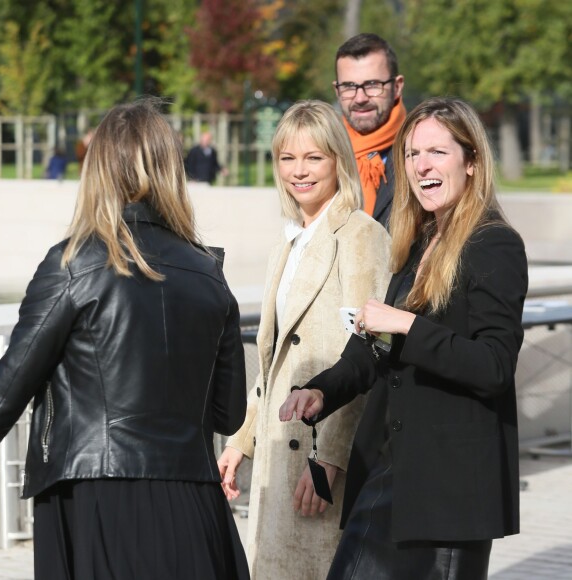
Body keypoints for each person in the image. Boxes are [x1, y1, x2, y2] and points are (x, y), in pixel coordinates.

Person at [0, 99, 250, 580]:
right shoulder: (210, 275)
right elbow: (227, 413)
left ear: (100, 169)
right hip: (194, 500)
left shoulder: (74, 264)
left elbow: (3, 395)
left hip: (95, 498)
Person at [280, 97, 528, 579]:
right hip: (388, 472)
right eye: (412, 154)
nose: (421, 166)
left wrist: (408, 326)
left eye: (437, 152)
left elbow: (494, 365)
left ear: (472, 161)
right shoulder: (417, 241)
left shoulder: (494, 242)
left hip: (449, 492)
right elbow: (375, 347)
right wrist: (321, 391)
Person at [218, 100, 392, 579]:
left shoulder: (361, 235)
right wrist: (241, 442)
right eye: (287, 158)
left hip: (317, 453)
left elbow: (368, 349)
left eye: (313, 157)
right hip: (278, 446)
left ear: (338, 159)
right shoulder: (289, 240)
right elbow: (271, 362)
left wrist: (331, 458)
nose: (299, 171)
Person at [334, 33, 406, 229]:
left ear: (397, 87)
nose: (360, 98)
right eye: (349, 86)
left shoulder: (422, 153)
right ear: (337, 91)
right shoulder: (325, 154)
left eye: (372, 85)